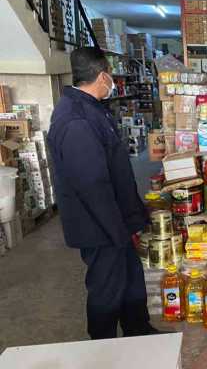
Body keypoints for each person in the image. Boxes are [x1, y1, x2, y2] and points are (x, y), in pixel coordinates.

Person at [48, 47, 158, 339]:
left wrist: (132, 218)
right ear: (101, 75)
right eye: (109, 74)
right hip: (100, 225)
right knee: (106, 288)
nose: (112, 81)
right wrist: (115, 230)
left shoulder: (91, 108)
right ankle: (102, 345)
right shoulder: (76, 121)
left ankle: (138, 330)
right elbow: (92, 184)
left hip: (116, 220)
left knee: (131, 278)